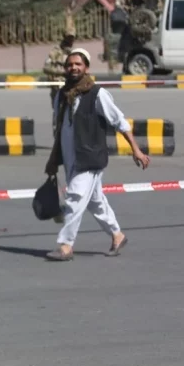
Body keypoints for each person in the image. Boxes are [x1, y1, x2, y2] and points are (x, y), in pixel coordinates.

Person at [44, 48, 150, 262]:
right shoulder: (62, 96)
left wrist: (136, 149)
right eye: (70, 64)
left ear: (86, 68)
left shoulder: (97, 94)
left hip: (90, 158)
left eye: (78, 64)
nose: (73, 67)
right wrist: (55, 158)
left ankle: (65, 246)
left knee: (74, 199)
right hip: (70, 158)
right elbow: (60, 129)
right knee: (95, 202)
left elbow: (119, 121)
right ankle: (117, 235)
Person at [43, 27, 75, 110]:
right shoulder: (56, 52)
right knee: (58, 112)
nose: (71, 40)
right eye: (68, 37)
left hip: (71, 87)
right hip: (58, 87)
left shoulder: (73, 52)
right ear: (64, 37)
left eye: (72, 38)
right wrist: (61, 72)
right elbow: (46, 68)